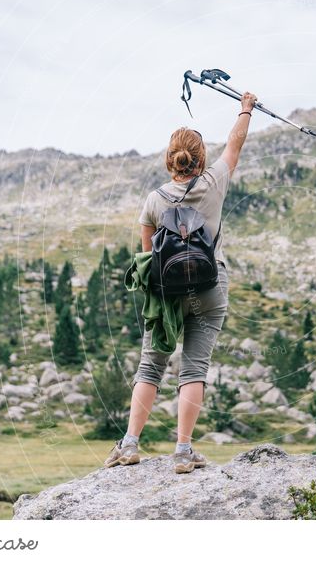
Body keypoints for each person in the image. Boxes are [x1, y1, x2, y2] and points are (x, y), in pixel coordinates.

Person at [104, 90, 258, 473]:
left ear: (169, 160)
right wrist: (245, 109)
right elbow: (235, 145)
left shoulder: (154, 201)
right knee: (194, 370)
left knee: (149, 367)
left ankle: (129, 445)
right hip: (210, 288)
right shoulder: (215, 181)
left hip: (167, 295)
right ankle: (183, 451)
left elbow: (147, 259)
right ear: (200, 159)